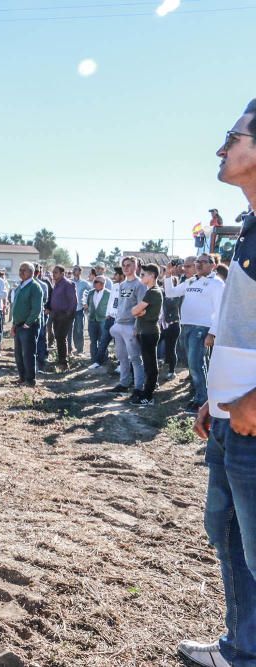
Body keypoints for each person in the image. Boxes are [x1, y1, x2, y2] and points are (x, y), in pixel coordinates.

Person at [179, 99, 256, 667]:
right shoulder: (248, 230)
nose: (220, 149)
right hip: (231, 417)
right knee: (227, 536)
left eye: (232, 137)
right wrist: (217, 399)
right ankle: (242, 648)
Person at [163, 252, 225, 410]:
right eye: (198, 261)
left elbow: (220, 310)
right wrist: (168, 275)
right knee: (195, 365)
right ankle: (201, 398)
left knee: (195, 365)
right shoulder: (191, 281)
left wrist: (212, 333)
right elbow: (170, 293)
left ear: (213, 265)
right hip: (187, 326)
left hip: (202, 328)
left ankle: (201, 400)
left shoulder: (217, 284)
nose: (199, 264)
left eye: (204, 262)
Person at [108, 256, 147, 398]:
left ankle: (138, 387)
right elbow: (120, 305)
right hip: (119, 324)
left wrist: (137, 326)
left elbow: (141, 308)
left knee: (135, 358)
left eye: (129, 265)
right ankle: (124, 383)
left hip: (131, 325)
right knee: (121, 357)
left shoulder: (140, 285)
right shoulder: (122, 285)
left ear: (136, 267)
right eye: (124, 265)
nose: (126, 268)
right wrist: (116, 322)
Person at [130, 264, 163, 406]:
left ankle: (148, 396)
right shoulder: (150, 291)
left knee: (150, 366)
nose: (141, 276)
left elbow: (134, 311)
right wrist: (138, 312)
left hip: (149, 333)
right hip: (146, 332)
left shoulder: (153, 292)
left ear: (152, 276)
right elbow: (136, 311)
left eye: (143, 274)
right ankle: (146, 391)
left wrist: (139, 312)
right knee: (149, 364)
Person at [10, 262, 44, 387]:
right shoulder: (20, 286)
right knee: (18, 354)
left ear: (31, 272)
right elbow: (16, 307)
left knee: (28, 354)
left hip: (28, 326)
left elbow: (36, 309)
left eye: (23, 270)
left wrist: (27, 324)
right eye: (20, 269)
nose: (21, 272)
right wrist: (14, 325)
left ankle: (30, 380)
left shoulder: (35, 287)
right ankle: (22, 377)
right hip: (19, 325)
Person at [47, 265, 77, 370]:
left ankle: (63, 362)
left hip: (64, 315)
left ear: (62, 273)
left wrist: (67, 314)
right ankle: (61, 360)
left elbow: (73, 301)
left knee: (61, 338)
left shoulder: (67, 284)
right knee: (58, 338)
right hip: (56, 314)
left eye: (56, 272)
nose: (53, 274)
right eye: (53, 272)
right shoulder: (57, 284)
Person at [160, 265, 182, 380]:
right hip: (161, 325)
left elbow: (173, 307)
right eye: (163, 283)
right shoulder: (161, 293)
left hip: (173, 324)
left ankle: (172, 371)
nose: (164, 284)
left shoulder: (177, 295)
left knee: (171, 348)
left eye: (167, 282)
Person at [86, 275, 111, 369]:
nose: (94, 283)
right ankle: (94, 360)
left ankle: (104, 359)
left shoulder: (108, 294)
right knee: (93, 341)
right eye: (94, 282)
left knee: (103, 340)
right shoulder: (91, 292)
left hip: (103, 320)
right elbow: (88, 304)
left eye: (96, 282)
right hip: (92, 319)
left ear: (102, 284)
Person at [68, 266, 91, 356]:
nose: (73, 271)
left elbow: (91, 291)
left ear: (80, 272)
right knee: (70, 329)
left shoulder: (84, 283)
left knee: (79, 329)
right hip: (69, 309)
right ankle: (70, 348)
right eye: (73, 269)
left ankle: (79, 349)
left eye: (76, 270)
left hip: (79, 309)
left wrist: (86, 303)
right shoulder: (69, 282)